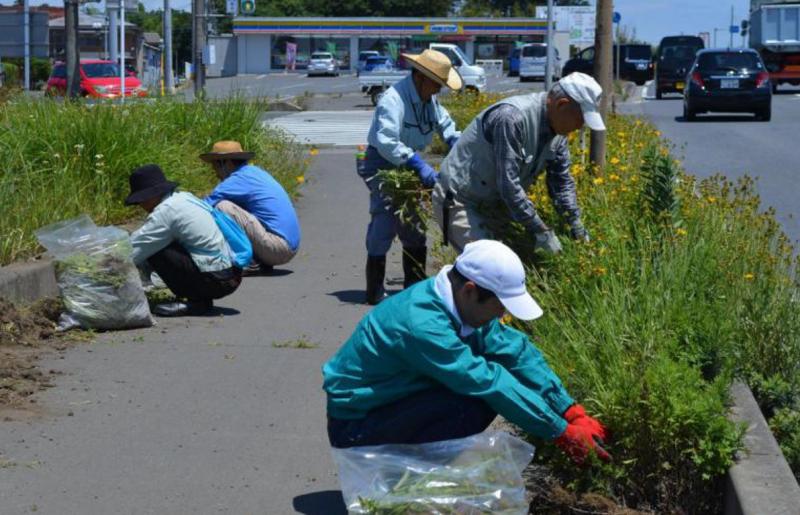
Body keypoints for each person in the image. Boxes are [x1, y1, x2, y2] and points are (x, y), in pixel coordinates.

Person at [322, 239, 609, 464]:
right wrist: (560, 432)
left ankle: (420, 468)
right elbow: (487, 381)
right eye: (497, 308)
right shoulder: (421, 324)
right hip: (357, 426)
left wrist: (569, 409)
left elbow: (515, 351)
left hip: (392, 401)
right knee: (474, 402)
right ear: (470, 290)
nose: (499, 317)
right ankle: (403, 477)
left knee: (483, 393)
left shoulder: (460, 305)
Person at [434, 72, 606, 254]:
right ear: (561, 105)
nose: (580, 127)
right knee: (488, 267)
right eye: (580, 119)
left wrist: (575, 223)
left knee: (517, 265)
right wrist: (541, 230)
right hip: (462, 200)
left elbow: (561, 183)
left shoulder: (558, 133)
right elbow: (508, 184)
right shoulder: (510, 118)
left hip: (496, 204)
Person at [360, 49, 462, 305]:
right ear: (420, 77)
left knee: (414, 224)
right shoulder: (392, 100)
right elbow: (386, 141)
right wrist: (417, 164)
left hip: (409, 164)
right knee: (385, 219)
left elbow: (445, 125)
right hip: (382, 162)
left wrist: (457, 143)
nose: (439, 90)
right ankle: (374, 290)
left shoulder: (430, 101)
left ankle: (414, 291)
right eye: (437, 84)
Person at [125, 164, 242, 317]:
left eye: (141, 200)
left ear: (152, 195)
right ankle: (200, 298)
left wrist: (100, 263)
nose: (140, 205)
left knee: (156, 249)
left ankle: (195, 301)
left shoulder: (165, 212)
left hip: (216, 281)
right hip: (230, 274)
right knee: (158, 241)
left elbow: (132, 252)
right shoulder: (185, 198)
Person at [201, 141, 301, 276]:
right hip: (287, 247)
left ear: (225, 163)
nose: (215, 172)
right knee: (231, 206)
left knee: (222, 206)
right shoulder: (254, 172)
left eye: (215, 166)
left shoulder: (237, 179)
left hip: (278, 248)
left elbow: (203, 207)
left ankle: (249, 262)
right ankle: (258, 259)